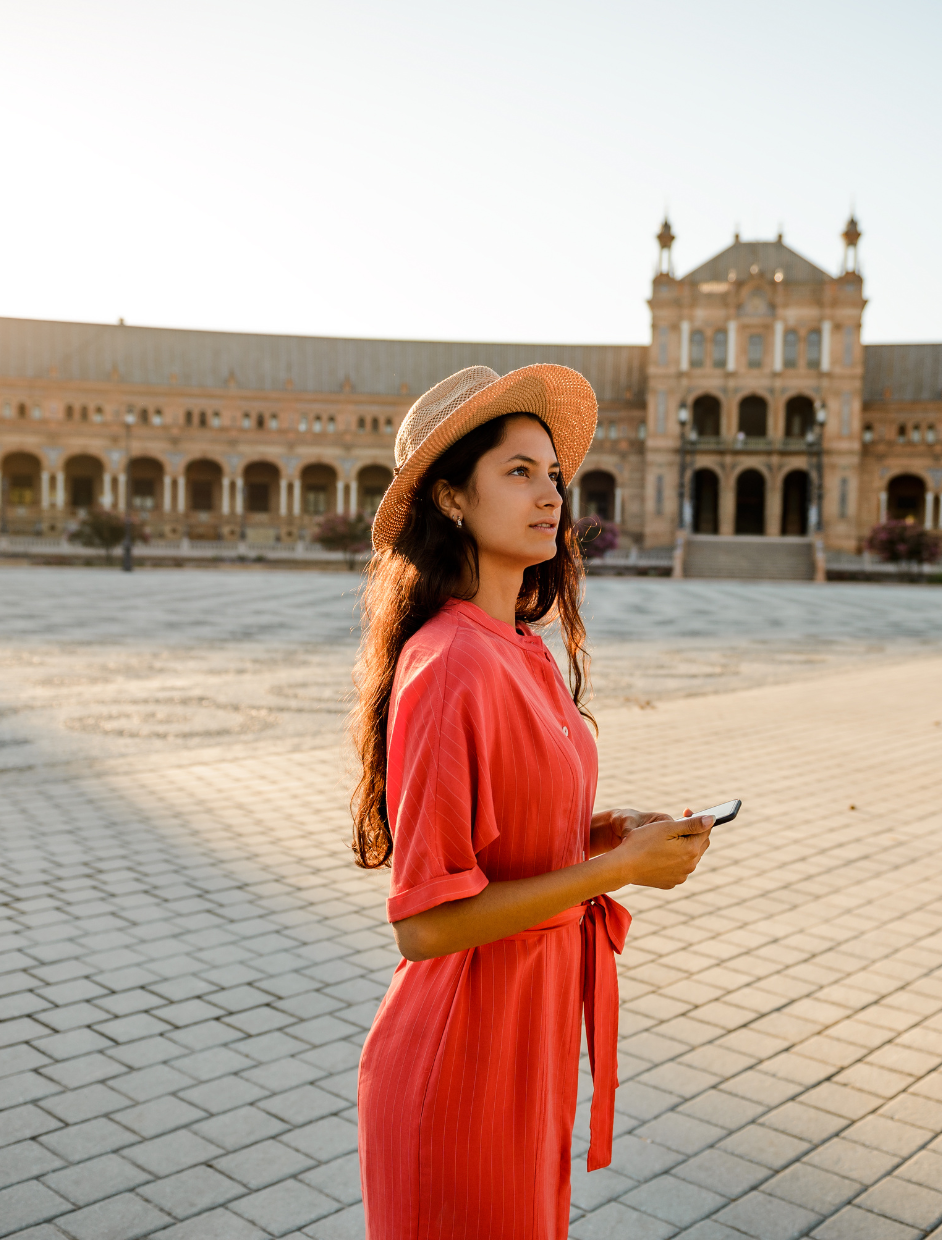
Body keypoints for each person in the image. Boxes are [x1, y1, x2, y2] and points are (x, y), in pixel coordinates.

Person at [351, 364, 717, 1238]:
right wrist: (616, 871)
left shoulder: (520, 648)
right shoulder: (449, 664)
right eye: (519, 471)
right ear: (448, 498)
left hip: (529, 1037)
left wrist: (601, 828)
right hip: (464, 1050)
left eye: (553, 473)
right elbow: (426, 925)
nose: (551, 493)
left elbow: (510, 823)